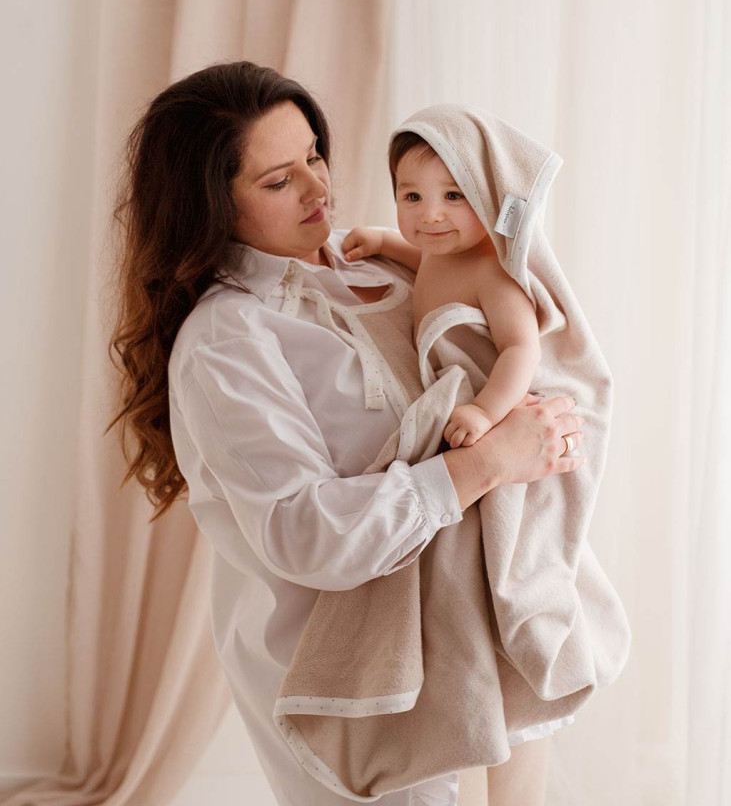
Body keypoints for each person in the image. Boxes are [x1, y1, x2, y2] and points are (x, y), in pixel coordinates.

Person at [108, 60, 584, 806]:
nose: (318, 189)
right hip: (354, 679)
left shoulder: (385, 267)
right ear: (210, 207)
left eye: (315, 155)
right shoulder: (228, 341)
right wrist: (488, 464)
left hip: (471, 645)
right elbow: (307, 533)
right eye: (278, 181)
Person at [341, 133, 547, 451]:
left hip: (497, 404)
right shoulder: (442, 249)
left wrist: (484, 410)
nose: (430, 215)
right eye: (413, 197)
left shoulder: (494, 272)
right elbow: (424, 261)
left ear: (488, 197)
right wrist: (382, 242)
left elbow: (521, 348)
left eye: (452, 195)